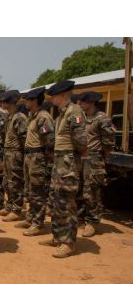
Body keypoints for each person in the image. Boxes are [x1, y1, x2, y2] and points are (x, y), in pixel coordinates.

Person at [39, 80, 87, 258]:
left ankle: (69, 242)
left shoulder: (74, 112)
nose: (52, 98)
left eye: (54, 95)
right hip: (60, 162)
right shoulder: (62, 114)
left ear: (63, 95)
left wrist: (75, 157)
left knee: (67, 203)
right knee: (57, 201)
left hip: (68, 162)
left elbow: (81, 140)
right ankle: (58, 237)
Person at [77, 91, 116, 237]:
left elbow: (109, 141)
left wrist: (102, 156)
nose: (80, 104)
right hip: (81, 157)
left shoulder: (102, 118)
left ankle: (92, 222)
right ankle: (80, 218)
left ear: (91, 102)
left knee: (92, 191)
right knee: (79, 189)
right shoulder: (81, 117)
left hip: (94, 158)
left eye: (83, 101)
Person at [18, 87, 55, 236]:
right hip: (29, 156)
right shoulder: (33, 116)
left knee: (38, 191)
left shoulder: (43, 117)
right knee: (30, 190)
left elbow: (50, 141)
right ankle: (31, 218)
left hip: (37, 157)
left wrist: (46, 158)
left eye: (28, 99)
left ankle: (38, 223)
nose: (26, 102)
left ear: (35, 101)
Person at [0, 90, 27, 221]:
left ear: (10, 102)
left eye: (4, 101)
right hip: (8, 152)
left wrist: (20, 154)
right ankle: (9, 205)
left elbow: (23, 138)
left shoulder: (19, 117)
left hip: (15, 152)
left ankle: (17, 209)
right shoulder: (10, 116)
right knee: (7, 181)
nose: (2, 103)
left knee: (16, 182)